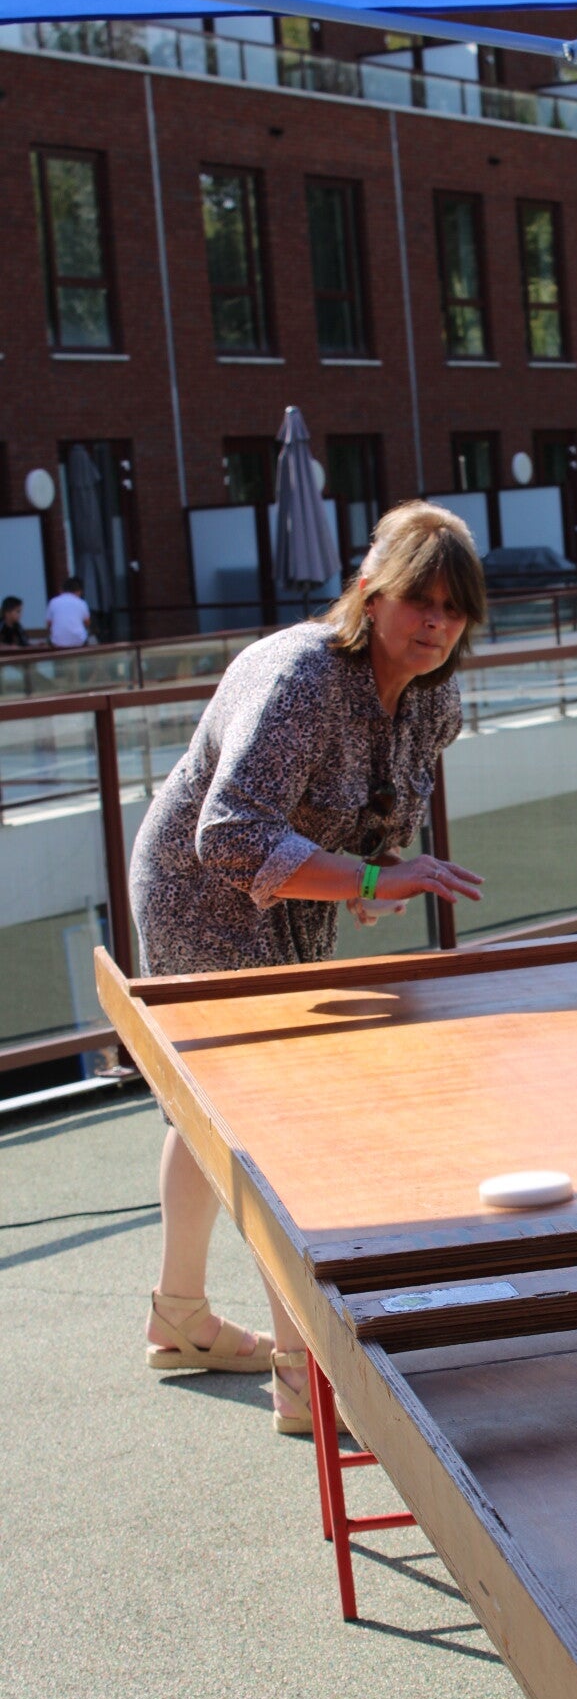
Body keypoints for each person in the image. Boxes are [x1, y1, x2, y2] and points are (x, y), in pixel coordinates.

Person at [129, 500, 486, 1432]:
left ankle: (179, 1318)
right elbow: (228, 835)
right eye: (419, 600)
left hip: (295, 893)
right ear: (369, 594)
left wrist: (375, 873)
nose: (436, 623)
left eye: (454, 608)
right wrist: (370, 877)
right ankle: (303, 1376)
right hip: (201, 891)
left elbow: (378, 813)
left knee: (213, 1105)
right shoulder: (302, 677)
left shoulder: (433, 696)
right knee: (269, 1118)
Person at [46, 576, 93, 648]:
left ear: (61, 590)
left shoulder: (53, 602)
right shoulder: (81, 603)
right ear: (78, 591)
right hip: (79, 641)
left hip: (57, 642)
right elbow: (87, 623)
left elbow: (49, 623)